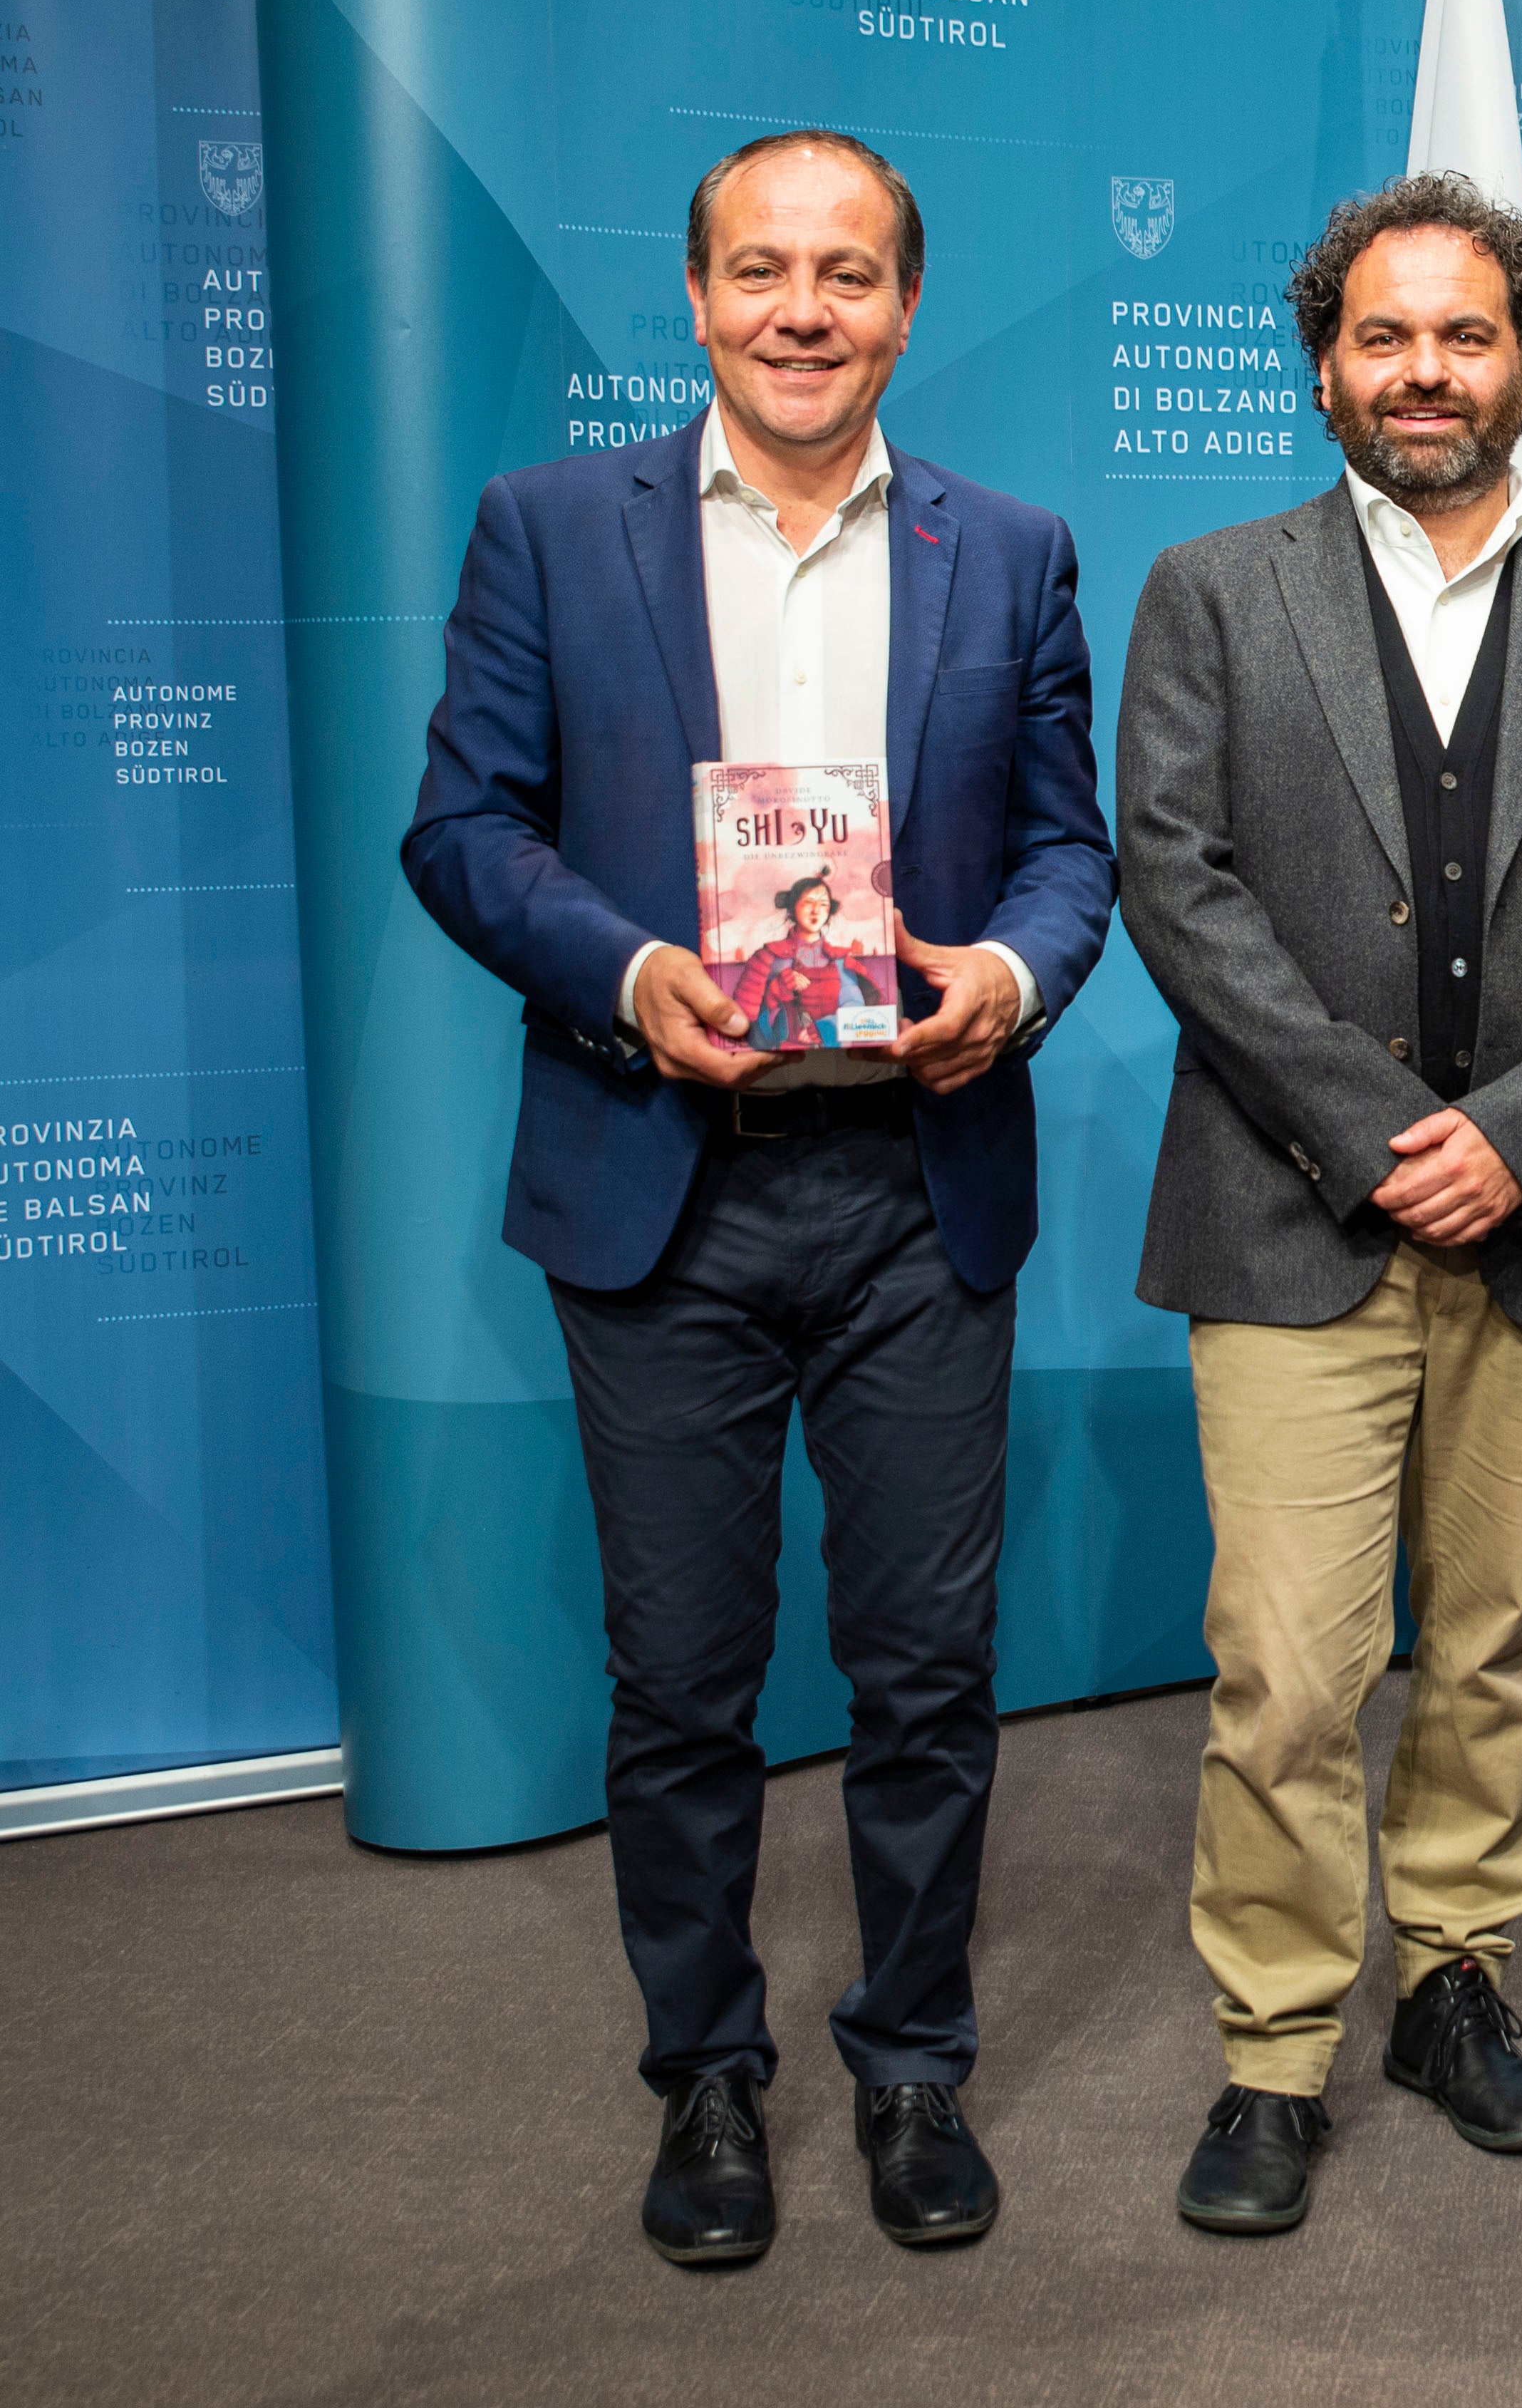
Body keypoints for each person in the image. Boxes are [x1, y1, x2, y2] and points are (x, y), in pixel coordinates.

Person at [402, 130, 1115, 2266]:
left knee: (921, 1672)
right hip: (662, 1184)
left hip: (915, 1181)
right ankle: (706, 2069)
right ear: (697, 299)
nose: (804, 308)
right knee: (685, 1677)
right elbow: (463, 826)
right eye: (760, 270)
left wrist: (1007, 973)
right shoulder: (547, 527)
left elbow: (1070, 851)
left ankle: (912, 2062)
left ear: (907, 304)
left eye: (848, 273)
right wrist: (628, 975)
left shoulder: (1013, 549)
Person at [1115, 173, 1522, 2236]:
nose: (1424, 373)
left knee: (1494, 1648)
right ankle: (1272, 2055)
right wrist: (1374, 1129)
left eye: (1466, 337)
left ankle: (1453, 1990)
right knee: (1285, 1668)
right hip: (1295, 1216)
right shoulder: (1209, 589)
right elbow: (1174, 882)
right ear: (1325, 367)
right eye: (1384, 337)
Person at [731, 870, 882, 1049]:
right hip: (782, 1057)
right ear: (793, 906)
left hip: (837, 1054)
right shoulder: (768, 958)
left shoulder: (840, 961)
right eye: (809, 903)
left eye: (823, 904)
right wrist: (774, 993)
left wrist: (825, 1028)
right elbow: (750, 1030)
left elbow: (855, 1007)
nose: (816, 910)